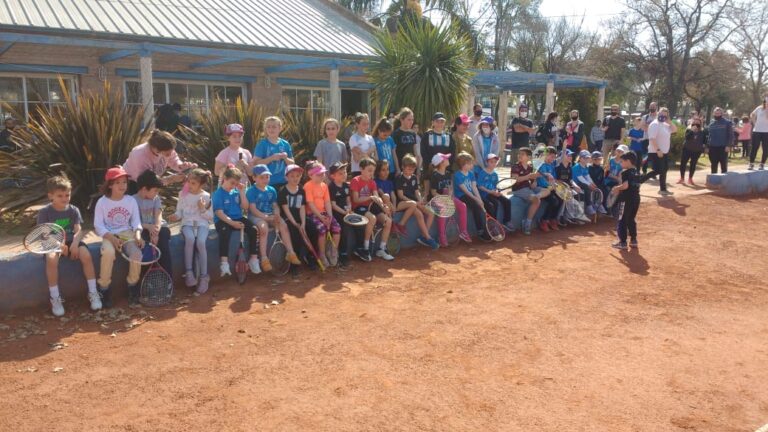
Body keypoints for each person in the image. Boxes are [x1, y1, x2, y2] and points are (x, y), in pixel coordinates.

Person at [38, 176, 99, 316]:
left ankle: (93, 293)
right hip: (53, 242)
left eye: (67, 195)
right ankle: (55, 298)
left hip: (72, 240)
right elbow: (44, 235)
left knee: (86, 255)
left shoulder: (73, 210)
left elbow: (79, 230)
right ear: (50, 196)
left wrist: (75, 244)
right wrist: (59, 245)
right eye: (60, 196)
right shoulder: (44, 212)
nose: (65, 198)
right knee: (51, 259)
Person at [93, 167, 143, 308]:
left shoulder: (131, 201)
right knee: (108, 253)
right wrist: (112, 238)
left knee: (136, 254)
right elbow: (98, 226)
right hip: (109, 235)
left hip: (127, 233)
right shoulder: (102, 202)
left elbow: (135, 221)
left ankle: (133, 288)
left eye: (124, 182)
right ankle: (104, 289)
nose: (122, 185)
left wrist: (138, 234)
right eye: (118, 182)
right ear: (110, 185)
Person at [247, 164, 301, 272]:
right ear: (254, 178)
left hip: (270, 215)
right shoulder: (250, 191)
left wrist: (277, 214)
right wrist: (266, 217)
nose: (265, 179)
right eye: (262, 177)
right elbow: (252, 209)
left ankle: (291, 253)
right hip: (256, 216)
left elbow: (275, 205)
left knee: (284, 226)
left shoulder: (271, 189)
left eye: (267, 177)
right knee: (263, 228)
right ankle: (264, 259)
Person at [168, 169, 214, 295]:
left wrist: (202, 209)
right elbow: (180, 212)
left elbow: (210, 217)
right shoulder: (183, 194)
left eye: (193, 183)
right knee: (190, 239)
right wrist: (175, 216)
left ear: (201, 184)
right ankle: (189, 273)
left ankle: (204, 277)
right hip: (187, 224)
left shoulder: (206, 196)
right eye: (188, 181)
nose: (189, 185)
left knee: (200, 242)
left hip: (202, 225)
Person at [213, 165, 260, 277]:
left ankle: (253, 259)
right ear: (225, 178)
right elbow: (219, 213)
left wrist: (242, 192)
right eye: (232, 183)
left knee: (253, 229)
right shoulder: (218, 194)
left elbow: (245, 207)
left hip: (238, 217)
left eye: (236, 183)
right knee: (225, 232)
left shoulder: (236, 191)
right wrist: (232, 223)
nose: (233, 186)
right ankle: (224, 263)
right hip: (223, 220)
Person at [123, 129, 197, 194]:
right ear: (156, 149)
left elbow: (174, 160)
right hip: (132, 185)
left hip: (152, 185)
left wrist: (181, 166)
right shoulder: (140, 155)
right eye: (167, 153)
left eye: (172, 151)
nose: (170, 154)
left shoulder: (167, 147)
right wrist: (171, 179)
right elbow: (146, 182)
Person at [350, 158, 394, 261]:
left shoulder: (372, 182)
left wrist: (384, 206)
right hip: (358, 207)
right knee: (372, 218)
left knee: (388, 221)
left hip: (371, 206)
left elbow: (377, 197)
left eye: (373, 171)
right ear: (361, 169)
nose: (371, 173)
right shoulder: (355, 181)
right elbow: (356, 199)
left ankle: (382, 249)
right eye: (369, 170)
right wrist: (369, 198)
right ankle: (365, 248)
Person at [394, 154, 439, 249]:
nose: (411, 171)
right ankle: (428, 237)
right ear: (402, 167)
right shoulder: (399, 178)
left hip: (414, 203)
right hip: (403, 203)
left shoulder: (414, 177)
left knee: (431, 213)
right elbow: (401, 196)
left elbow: (417, 191)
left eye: (413, 169)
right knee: (418, 213)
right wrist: (414, 202)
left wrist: (420, 200)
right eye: (409, 169)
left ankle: (424, 236)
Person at [133, 170, 172, 277]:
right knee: (144, 247)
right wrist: (148, 227)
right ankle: (148, 280)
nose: (157, 193)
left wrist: (156, 231)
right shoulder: (132, 201)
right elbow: (134, 222)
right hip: (142, 229)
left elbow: (158, 216)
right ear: (144, 189)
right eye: (155, 190)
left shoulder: (156, 199)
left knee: (163, 240)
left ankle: (168, 279)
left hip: (158, 228)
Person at [304, 164, 342, 269]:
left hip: (325, 214)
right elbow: (310, 204)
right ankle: (322, 254)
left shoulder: (324, 185)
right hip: (312, 214)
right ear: (310, 175)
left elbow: (327, 202)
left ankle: (333, 251)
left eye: (323, 174)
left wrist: (329, 216)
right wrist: (322, 218)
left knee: (337, 228)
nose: (322, 176)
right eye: (319, 174)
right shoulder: (307, 186)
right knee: (321, 230)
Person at [279, 164, 314, 274]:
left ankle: (309, 257)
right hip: (289, 219)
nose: (295, 178)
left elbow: (302, 208)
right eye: (292, 176)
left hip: (300, 218)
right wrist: (295, 223)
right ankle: (293, 264)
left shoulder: (301, 190)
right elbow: (286, 210)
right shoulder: (282, 191)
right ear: (286, 177)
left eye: (298, 176)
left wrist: (303, 223)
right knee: (295, 235)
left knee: (313, 228)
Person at [430, 153, 471, 245]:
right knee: (443, 210)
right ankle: (441, 236)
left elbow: (450, 187)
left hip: (449, 197)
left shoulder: (448, 174)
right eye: (446, 158)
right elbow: (433, 192)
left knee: (463, 206)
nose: (448, 159)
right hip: (438, 199)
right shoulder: (435, 175)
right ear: (441, 162)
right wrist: (443, 199)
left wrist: (450, 194)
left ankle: (463, 231)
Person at [454, 152, 491, 242]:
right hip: (462, 196)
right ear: (464, 164)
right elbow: (465, 191)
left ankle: (490, 228)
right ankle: (480, 230)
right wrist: (476, 200)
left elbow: (474, 188)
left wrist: (479, 199)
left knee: (489, 205)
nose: (472, 165)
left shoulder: (471, 174)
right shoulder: (457, 175)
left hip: (472, 195)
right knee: (476, 206)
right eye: (470, 163)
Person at [610, 152, 642, 250]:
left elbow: (625, 186)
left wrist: (616, 188)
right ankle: (633, 240)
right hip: (636, 198)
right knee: (631, 219)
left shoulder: (625, 172)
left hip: (626, 199)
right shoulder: (637, 172)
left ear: (628, 161)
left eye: (622, 162)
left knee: (622, 220)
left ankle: (622, 242)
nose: (621, 164)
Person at [475, 154, 515, 231]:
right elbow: (479, 186)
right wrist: (490, 192)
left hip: (493, 193)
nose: (493, 164)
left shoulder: (495, 174)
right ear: (487, 162)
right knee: (494, 204)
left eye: (495, 162)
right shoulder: (482, 173)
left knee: (507, 201)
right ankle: (493, 225)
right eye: (491, 162)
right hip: (485, 194)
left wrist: (498, 192)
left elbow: (496, 186)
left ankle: (506, 221)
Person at [253, 116, 294, 188]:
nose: (271, 129)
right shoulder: (262, 144)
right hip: (267, 183)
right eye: (268, 127)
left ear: (280, 128)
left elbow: (292, 163)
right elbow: (256, 163)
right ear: (265, 129)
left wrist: (285, 158)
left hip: (283, 181)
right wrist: (271, 158)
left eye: (274, 127)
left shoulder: (285, 144)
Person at [328, 162, 355, 269]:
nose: (344, 174)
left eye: (344, 172)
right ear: (332, 176)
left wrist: (349, 208)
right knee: (342, 229)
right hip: (336, 215)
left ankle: (347, 252)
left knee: (348, 229)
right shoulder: (331, 187)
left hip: (346, 213)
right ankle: (339, 254)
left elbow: (348, 200)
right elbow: (333, 205)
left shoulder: (346, 185)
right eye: (340, 173)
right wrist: (344, 213)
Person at [647, 107, 677, 195]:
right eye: (661, 114)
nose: (663, 116)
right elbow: (652, 138)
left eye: (665, 115)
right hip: (655, 151)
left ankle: (662, 189)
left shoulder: (665, 125)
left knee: (662, 170)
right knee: (660, 170)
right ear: (658, 113)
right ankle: (662, 189)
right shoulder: (654, 124)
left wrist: (670, 122)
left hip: (664, 152)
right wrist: (658, 150)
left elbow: (675, 130)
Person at [421, 112, 455, 187]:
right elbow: (423, 151)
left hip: (444, 169)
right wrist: (430, 164)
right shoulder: (427, 135)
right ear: (433, 122)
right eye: (437, 121)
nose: (439, 124)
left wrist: (447, 166)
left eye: (442, 121)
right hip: (430, 168)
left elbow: (452, 152)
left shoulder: (448, 136)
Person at [535, 147, 562, 232]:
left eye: (554, 157)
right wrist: (551, 186)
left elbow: (553, 179)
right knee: (554, 201)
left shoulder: (551, 165)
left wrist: (555, 185)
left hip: (550, 188)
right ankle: (544, 220)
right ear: (546, 155)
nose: (553, 159)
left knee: (561, 199)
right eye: (551, 156)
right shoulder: (540, 165)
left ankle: (552, 219)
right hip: (542, 189)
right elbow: (542, 181)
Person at [572, 150, 603, 216]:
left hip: (581, 183)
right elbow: (581, 179)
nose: (587, 159)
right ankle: (589, 206)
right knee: (587, 187)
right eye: (585, 158)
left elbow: (587, 177)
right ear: (580, 158)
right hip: (575, 184)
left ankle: (597, 205)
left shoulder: (586, 167)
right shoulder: (576, 167)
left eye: (588, 158)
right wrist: (589, 185)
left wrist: (593, 183)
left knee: (595, 186)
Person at [678, 118, 706, 185]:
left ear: (700, 124)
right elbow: (687, 137)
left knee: (693, 164)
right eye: (694, 122)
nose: (696, 124)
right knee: (683, 163)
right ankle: (682, 178)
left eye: (698, 123)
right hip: (687, 149)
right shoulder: (688, 130)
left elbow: (704, 141)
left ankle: (690, 179)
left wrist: (703, 148)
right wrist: (692, 131)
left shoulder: (703, 131)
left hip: (696, 151)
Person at [706, 107, 733, 174]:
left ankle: (724, 181)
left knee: (723, 165)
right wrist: (707, 146)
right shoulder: (711, 123)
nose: (717, 114)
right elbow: (709, 136)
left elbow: (731, 135)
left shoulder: (727, 123)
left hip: (723, 147)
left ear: (722, 113)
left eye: (718, 113)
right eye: (715, 113)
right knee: (713, 164)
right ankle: (714, 181)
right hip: (712, 147)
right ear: (713, 114)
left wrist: (728, 145)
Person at [749, 92, 768, 170]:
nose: (767, 103)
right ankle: (751, 164)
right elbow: (752, 114)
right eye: (766, 102)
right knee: (754, 148)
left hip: (766, 132)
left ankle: (762, 164)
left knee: (766, 148)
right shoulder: (759, 108)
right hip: (757, 131)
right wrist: (754, 122)